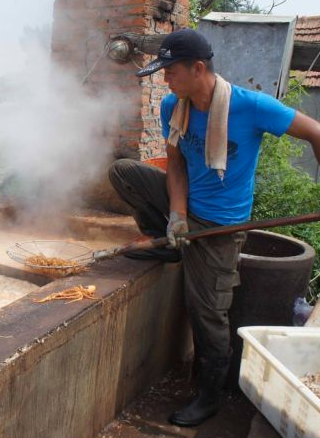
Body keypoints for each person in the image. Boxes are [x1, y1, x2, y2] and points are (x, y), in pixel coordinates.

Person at [109, 28, 320, 427]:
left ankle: (209, 396)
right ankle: (170, 243)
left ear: (198, 68)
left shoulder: (252, 107)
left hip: (221, 225)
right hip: (188, 210)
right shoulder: (173, 105)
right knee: (125, 173)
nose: (164, 79)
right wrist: (176, 215)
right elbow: (175, 165)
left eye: (170, 71)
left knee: (207, 312)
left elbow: (315, 132)